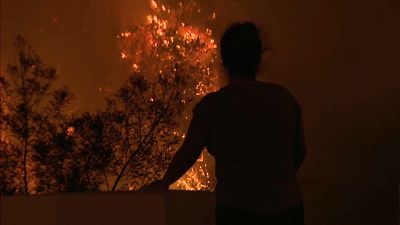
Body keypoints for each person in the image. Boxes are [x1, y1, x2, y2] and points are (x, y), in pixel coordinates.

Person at [143, 22, 306, 225]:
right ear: (258, 58)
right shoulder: (284, 99)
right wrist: (275, 181)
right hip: (287, 209)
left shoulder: (213, 106)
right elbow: (299, 151)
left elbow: (189, 152)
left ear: (224, 59)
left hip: (237, 210)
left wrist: (164, 182)